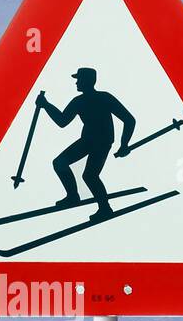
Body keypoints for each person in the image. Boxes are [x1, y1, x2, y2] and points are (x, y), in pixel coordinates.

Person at [35, 67, 135, 221]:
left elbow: (129, 119)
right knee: (60, 163)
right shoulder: (79, 101)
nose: (76, 83)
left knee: (90, 175)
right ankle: (73, 196)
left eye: (79, 80)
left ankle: (105, 208)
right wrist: (46, 105)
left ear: (88, 81)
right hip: (88, 140)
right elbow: (62, 121)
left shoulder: (104, 98)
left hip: (102, 142)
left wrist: (124, 144)